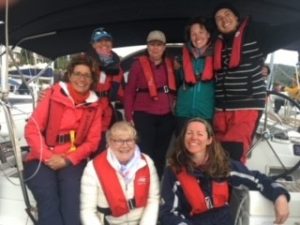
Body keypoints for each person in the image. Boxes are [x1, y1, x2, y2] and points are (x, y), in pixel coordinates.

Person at [212, 2, 300, 162]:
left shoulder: (256, 34)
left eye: (227, 15)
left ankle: (234, 185)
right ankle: (219, 186)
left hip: (246, 106)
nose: (224, 20)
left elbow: (287, 32)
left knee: (234, 153)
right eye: (219, 19)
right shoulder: (217, 44)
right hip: (221, 108)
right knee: (217, 154)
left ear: (237, 18)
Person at [159, 118, 290, 225]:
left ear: (209, 140)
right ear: (183, 138)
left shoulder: (224, 166)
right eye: (189, 133)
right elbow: (168, 213)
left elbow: (257, 179)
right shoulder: (173, 172)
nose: (194, 137)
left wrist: (280, 197)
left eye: (200, 134)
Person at [24, 54, 102, 225]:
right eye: (77, 73)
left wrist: (68, 159)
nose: (81, 78)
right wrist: (48, 157)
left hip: (72, 160)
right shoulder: (52, 95)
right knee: (48, 199)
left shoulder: (95, 106)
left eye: (86, 75)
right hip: (41, 158)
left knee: (72, 202)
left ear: (92, 79)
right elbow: (32, 129)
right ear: (70, 75)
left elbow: (92, 142)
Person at [80, 121, 160, 225]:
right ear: (109, 142)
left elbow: (153, 199)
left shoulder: (147, 162)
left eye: (129, 140)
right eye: (118, 141)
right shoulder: (92, 168)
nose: (125, 145)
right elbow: (87, 211)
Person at [124, 30, 176, 178]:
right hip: (144, 115)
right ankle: (143, 183)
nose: (155, 48)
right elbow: (129, 92)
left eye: (159, 45)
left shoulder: (171, 64)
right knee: (145, 153)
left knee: (161, 154)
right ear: (147, 47)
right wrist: (129, 116)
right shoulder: (137, 65)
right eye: (152, 44)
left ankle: (157, 184)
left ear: (164, 47)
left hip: (166, 115)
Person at [174, 17, 215, 136]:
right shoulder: (181, 59)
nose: (197, 38)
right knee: (181, 149)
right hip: (183, 113)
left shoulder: (218, 56)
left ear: (208, 34)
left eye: (201, 32)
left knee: (202, 150)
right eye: (193, 34)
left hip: (205, 113)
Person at [89, 27, 125, 157]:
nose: (104, 44)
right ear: (93, 45)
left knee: (106, 147)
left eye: (107, 41)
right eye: (99, 41)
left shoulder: (116, 65)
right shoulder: (85, 62)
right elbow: (68, 85)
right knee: (91, 147)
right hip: (89, 110)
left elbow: (122, 92)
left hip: (107, 111)